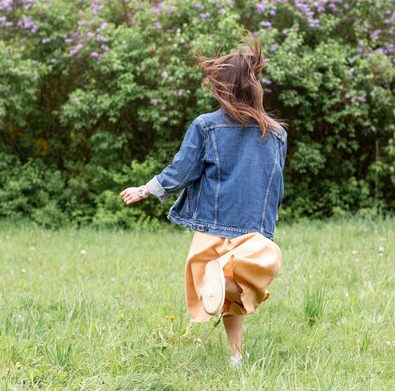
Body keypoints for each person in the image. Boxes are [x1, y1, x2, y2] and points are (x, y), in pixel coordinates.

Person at [120, 33, 287, 368]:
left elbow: (182, 170)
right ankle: (236, 356)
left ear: (223, 88)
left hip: (213, 228)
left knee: (224, 291)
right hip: (253, 233)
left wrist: (146, 189)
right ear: (254, 87)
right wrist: (267, 228)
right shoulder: (275, 134)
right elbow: (274, 186)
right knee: (246, 286)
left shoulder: (206, 126)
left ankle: (222, 284)